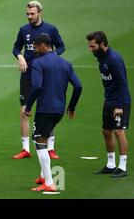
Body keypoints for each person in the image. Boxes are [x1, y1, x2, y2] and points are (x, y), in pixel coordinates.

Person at [25, 34, 82, 192]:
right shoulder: (65, 63)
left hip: (45, 109)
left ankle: (49, 182)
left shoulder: (38, 63)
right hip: (59, 109)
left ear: (43, 45)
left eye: (36, 47)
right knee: (46, 135)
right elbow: (78, 86)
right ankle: (43, 176)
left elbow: (36, 87)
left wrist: (28, 107)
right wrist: (72, 107)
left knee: (39, 141)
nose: (35, 50)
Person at [12, 0, 65, 159]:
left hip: (46, 74)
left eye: (32, 14)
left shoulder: (51, 29)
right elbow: (15, 47)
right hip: (28, 74)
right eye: (27, 14)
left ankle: (50, 148)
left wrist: (51, 57)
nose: (29, 16)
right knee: (24, 112)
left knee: (47, 110)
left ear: (40, 13)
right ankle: (25, 149)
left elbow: (61, 47)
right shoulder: (23, 30)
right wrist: (20, 57)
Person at [87, 31, 131, 178]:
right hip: (109, 100)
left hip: (120, 101)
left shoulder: (114, 59)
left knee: (119, 131)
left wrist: (119, 105)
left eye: (93, 46)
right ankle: (111, 165)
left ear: (102, 44)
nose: (90, 49)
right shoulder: (101, 57)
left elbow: (122, 83)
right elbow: (108, 81)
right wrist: (106, 97)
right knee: (106, 131)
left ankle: (123, 167)